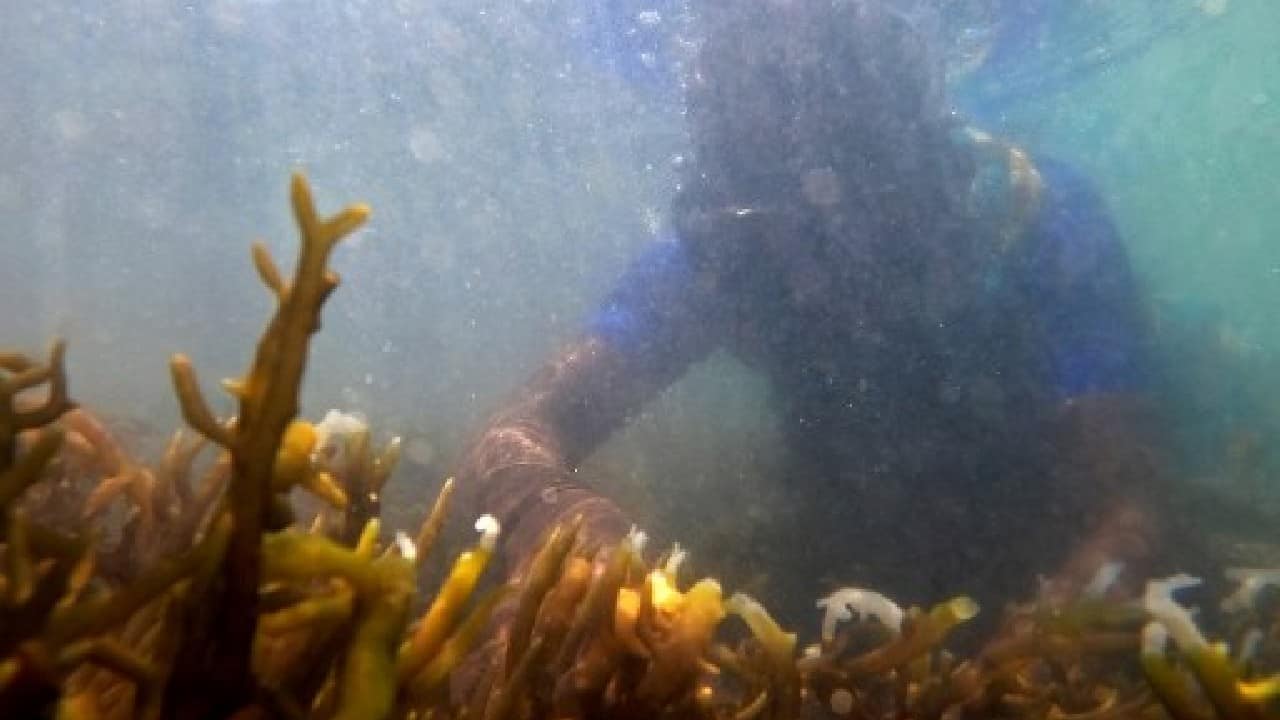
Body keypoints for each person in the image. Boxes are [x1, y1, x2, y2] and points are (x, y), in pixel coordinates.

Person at [455, 0, 1163, 630]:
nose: (823, 249)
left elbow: (1131, 505)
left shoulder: (1029, 216)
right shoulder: (722, 253)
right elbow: (521, 427)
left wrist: (1035, 656)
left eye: (855, 183)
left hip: (1023, 532)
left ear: (921, 148)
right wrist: (573, 530)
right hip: (838, 548)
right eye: (778, 201)